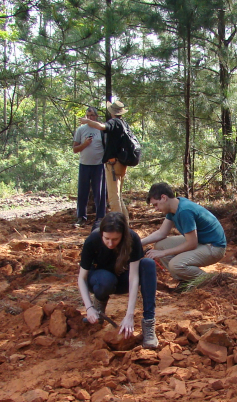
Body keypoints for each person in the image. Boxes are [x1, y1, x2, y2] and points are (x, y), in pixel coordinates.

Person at [77, 212, 159, 349]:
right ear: (101, 233)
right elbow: (81, 278)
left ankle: (149, 323)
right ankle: (98, 309)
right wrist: (89, 308)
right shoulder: (92, 240)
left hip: (122, 278)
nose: (110, 243)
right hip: (99, 279)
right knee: (105, 280)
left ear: (123, 235)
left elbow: (133, 278)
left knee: (148, 265)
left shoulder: (132, 239)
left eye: (115, 239)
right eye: (107, 238)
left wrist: (129, 315)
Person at [141, 183, 227, 283]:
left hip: (214, 247)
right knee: (160, 245)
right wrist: (139, 242)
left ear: (163, 197)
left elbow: (191, 244)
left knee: (175, 264)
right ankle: (184, 280)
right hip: (201, 240)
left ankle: (211, 281)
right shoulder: (174, 206)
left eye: (155, 204)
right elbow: (161, 232)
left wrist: (163, 253)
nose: (155, 208)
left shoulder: (184, 211)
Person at [83, 99, 132, 224]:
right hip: (121, 163)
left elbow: (102, 126)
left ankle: (119, 227)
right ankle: (125, 224)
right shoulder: (123, 123)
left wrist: (88, 121)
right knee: (118, 196)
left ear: (112, 112)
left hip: (114, 164)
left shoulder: (114, 122)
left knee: (113, 198)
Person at [72, 106, 107, 229]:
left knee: (100, 193)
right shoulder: (81, 130)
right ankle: (81, 217)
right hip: (84, 165)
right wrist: (85, 144)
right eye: (88, 116)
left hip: (99, 165)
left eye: (92, 115)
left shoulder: (101, 129)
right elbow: (75, 149)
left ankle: (100, 218)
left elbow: (107, 146)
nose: (90, 118)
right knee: (83, 192)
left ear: (96, 116)